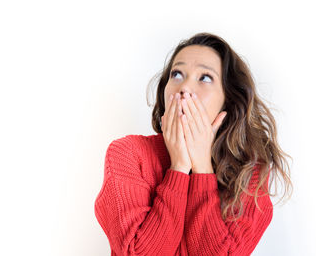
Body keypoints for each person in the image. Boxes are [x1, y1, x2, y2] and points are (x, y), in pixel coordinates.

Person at [94, 32, 293, 256]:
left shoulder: (250, 172)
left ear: (227, 99)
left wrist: (202, 168)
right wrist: (178, 167)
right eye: (177, 74)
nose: (184, 88)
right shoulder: (127, 154)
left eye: (205, 78)